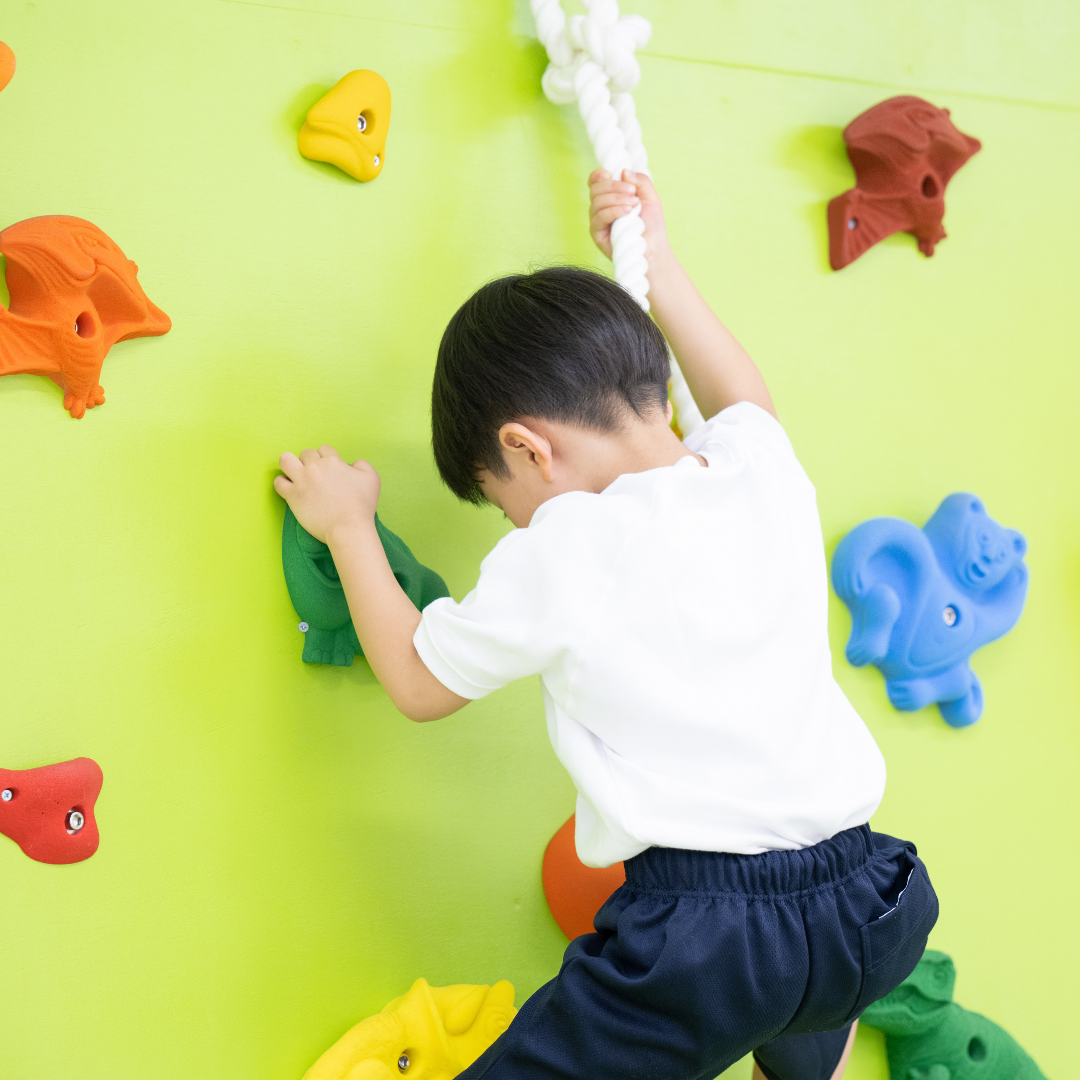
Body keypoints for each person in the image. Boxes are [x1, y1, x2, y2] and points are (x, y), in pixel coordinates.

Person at [274, 169, 939, 1080]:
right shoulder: (759, 468)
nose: (519, 525)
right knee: (800, 990)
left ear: (527, 449)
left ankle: (782, 1009)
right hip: (873, 901)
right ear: (661, 393)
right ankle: (807, 1036)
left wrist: (348, 524)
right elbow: (743, 392)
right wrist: (654, 262)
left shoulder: (567, 544)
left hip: (709, 939)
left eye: (506, 506)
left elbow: (421, 684)